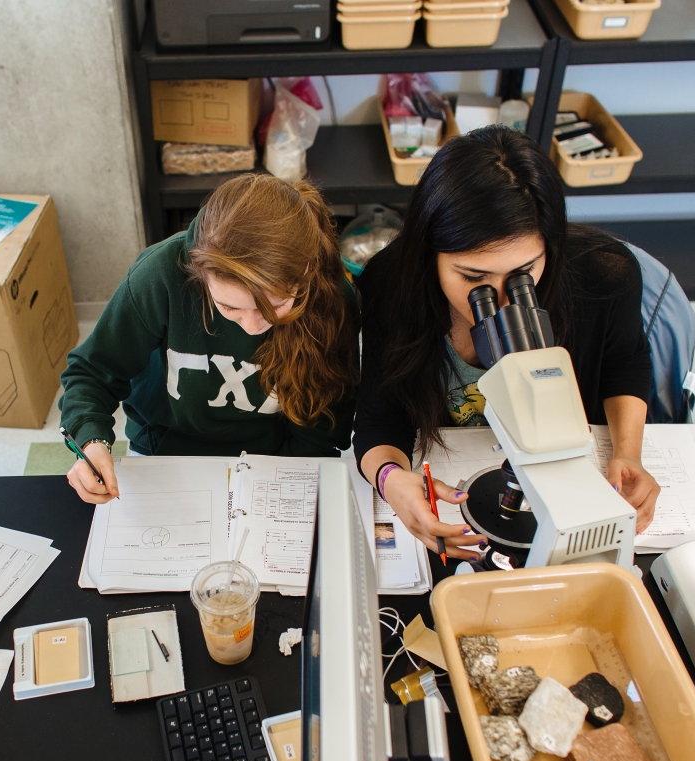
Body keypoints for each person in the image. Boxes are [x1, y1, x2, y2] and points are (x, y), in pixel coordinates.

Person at [354, 126, 661, 560]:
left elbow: (625, 364)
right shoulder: (390, 286)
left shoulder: (603, 275)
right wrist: (392, 480)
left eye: (522, 273)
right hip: (456, 485)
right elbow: (376, 422)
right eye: (474, 279)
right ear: (429, 256)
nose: (497, 302)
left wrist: (630, 454)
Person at [58, 173, 360, 504]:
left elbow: (323, 427)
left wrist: (283, 485)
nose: (251, 325)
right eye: (230, 307)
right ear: (200, 275)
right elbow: (91, 374)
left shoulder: (333, 298)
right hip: (162, 452)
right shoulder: (160, 274)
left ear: (306, 272)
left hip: (276, 460)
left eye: (275, 306)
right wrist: (91, 442)